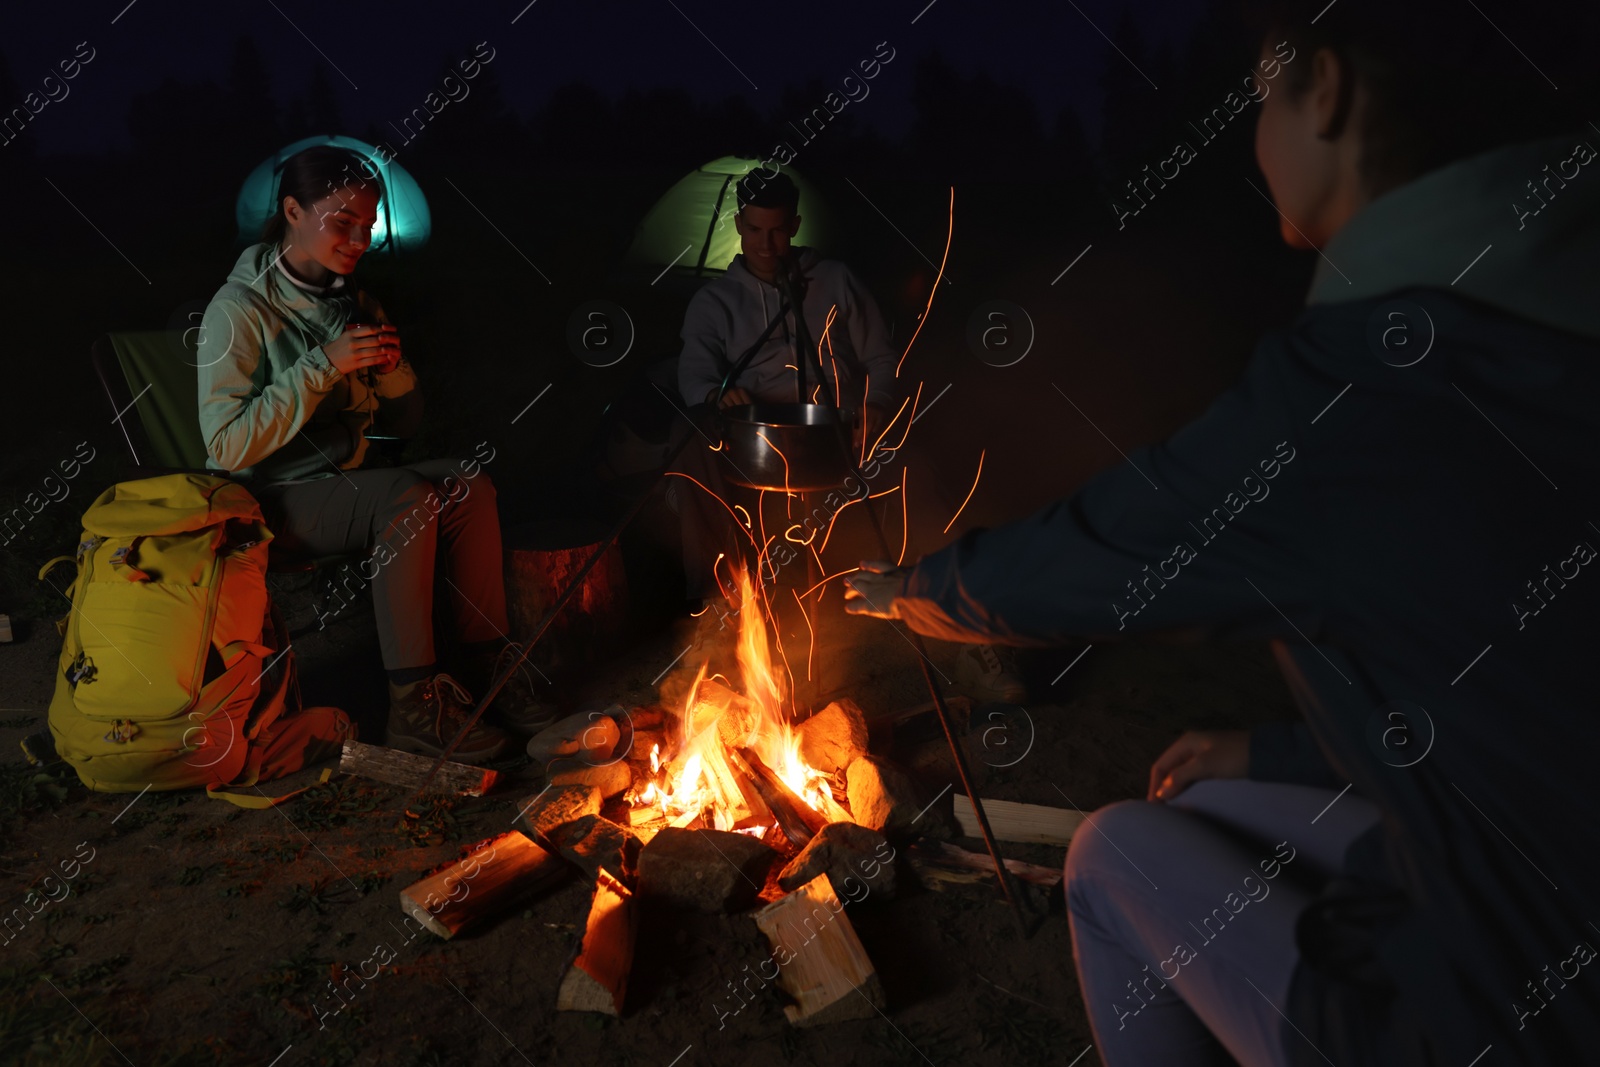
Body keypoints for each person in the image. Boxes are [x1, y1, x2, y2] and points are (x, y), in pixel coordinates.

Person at [845, 3, 1600, 1065]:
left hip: (1514, 1005)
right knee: (1220, 791)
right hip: (1521, 857)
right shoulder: (1541, 315)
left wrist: (912, 587)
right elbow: (1496, 691)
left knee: (1108, 852)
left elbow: (1104, 552)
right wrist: (1275, 746)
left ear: (1323, 91)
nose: (1252, 142)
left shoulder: (1364, 384)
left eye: (1259, 104)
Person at [197, 145, 553, 765]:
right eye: (342, 222)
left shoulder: (352, 302)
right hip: (266, 502)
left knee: (467, 483)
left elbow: (405, 424)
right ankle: (414, 706)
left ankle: (489, 670)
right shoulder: (239, 310)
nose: (360, 238)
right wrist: (320, 367)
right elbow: (226, 445)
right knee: (406, 496)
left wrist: (389, 371)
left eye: (368, 224)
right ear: (291, 210)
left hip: (347, 484)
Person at [674, 169, 1026, 701]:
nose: (767, 245)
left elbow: (882, 358)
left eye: (777, 231)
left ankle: (976, 641)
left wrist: (877, 405)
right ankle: (717, 617)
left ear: (793, 225)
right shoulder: (716, 302)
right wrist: (717, 396)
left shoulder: (833, 280)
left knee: (917, 474)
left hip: (839, 435)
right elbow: (694, 372)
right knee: (691, 457)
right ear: (739, 227)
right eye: (754, 231)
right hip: (760, 441)